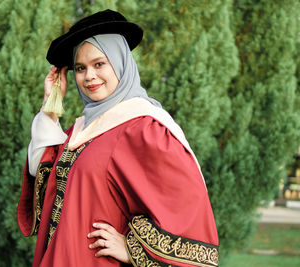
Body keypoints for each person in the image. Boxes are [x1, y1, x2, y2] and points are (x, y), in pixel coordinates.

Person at [18, 9, 219, 267]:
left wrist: (132, 248)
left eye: (99, 64)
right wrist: (50, 106)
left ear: (121, 62)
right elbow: (45, 184)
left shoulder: (144, 128)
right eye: (80, 68)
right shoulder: (80, 130)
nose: (89, 76)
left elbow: (187, 208)